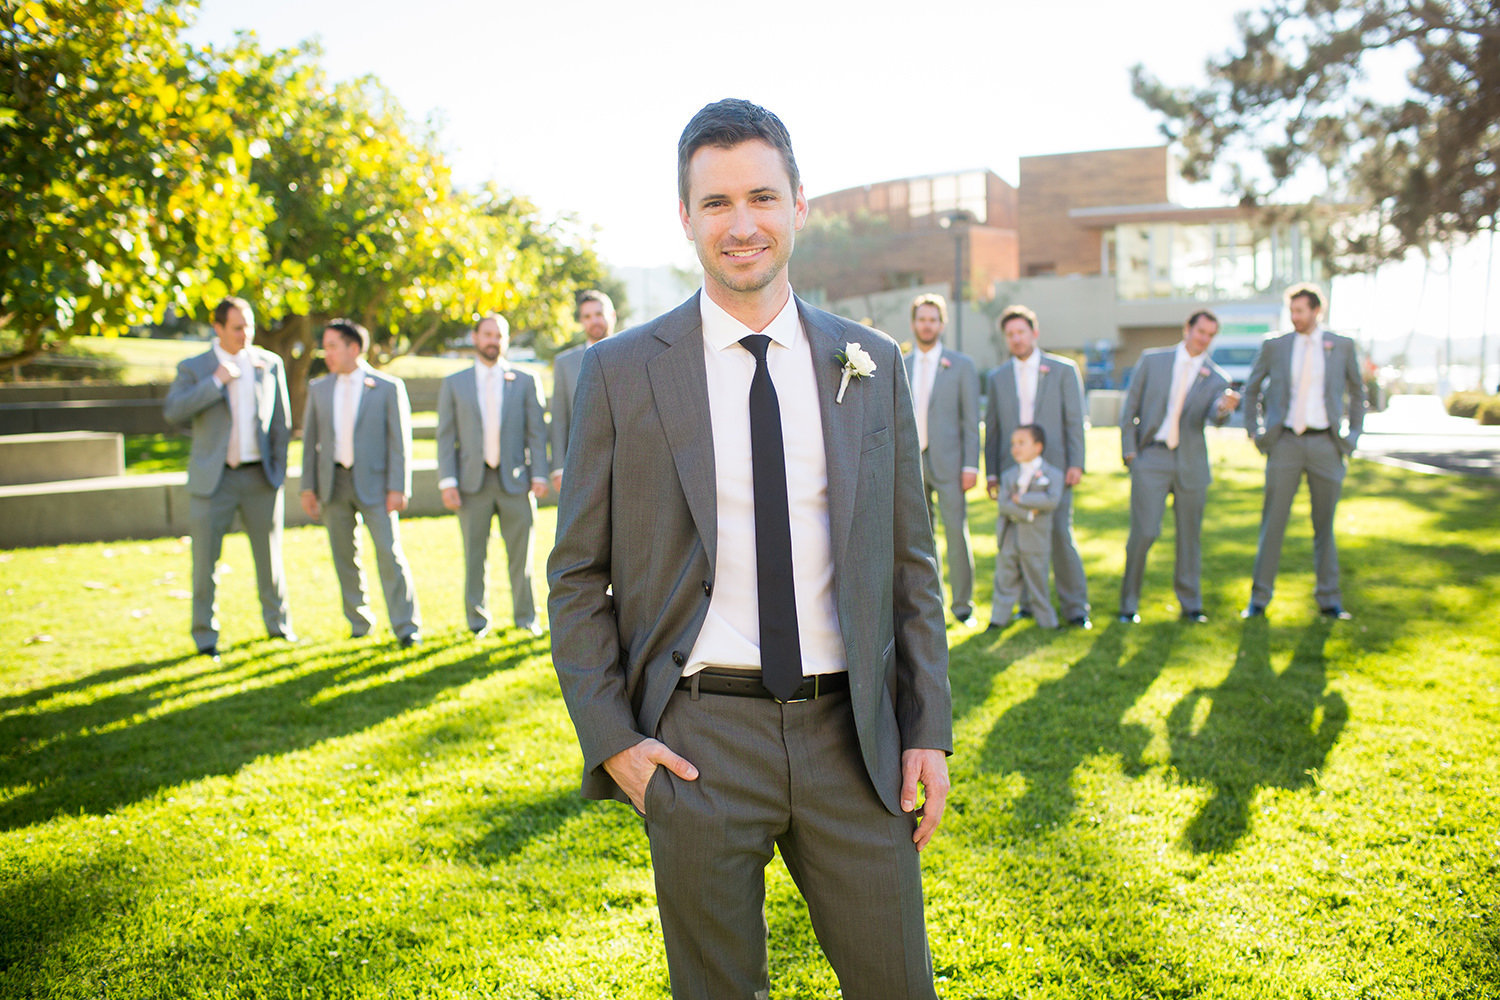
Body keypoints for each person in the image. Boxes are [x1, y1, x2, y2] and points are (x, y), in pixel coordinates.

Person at [547, 98, 952, 1000]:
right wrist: (614, 740)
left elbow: (908, 564)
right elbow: (576, 575)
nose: (742, 224)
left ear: (800, 204)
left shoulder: (870, 361)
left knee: (899, 985)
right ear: (684, 217)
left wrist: (926, 726)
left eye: (762, 197)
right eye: (717, 203)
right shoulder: (618, 372)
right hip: (699, 743)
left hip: (854, 740)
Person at [162, 296, 294, 659]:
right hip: (213, 481)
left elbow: (281, 423)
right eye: (237, 327)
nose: (246, 334)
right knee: (205, 563)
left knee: (270, 560)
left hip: (260, 479)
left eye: (249, 326)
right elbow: (174, 410)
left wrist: (278, 472)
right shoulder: (195, 367)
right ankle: (205, 638)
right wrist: (216, 382)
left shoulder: (269, 364)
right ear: (217, 328)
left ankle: (278, 627)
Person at [1242, 283, 1364, 619]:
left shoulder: (1341, 346)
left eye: (1300, 311)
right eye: (1291, 311)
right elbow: (1251, 389)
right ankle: (1259, 600)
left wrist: (1352, 436)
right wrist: (1255, 431)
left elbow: (1358, 391)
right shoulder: (1275, 346)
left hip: (1327, 444)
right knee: (1273, 523)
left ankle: (1329, 600)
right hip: (1284, 445)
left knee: (1324, 525)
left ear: (1316, 311)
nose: (1295, 317)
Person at [299, 319, 422, 647]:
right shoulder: (319, 388)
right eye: (325, 346)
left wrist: (399, 487)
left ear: (354, 348)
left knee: (389, 553)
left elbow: (400, 443)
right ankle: (359, 621)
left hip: (378, 487)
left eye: (333, 346)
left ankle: (406, 627)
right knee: (343, 555)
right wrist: (307, 487)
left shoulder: (387, 387)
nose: (327, 353)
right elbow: (310, 442)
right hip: (332, 484)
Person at [1117, 310, 1241, 624]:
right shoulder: (1152, 360)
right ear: (1187, 329)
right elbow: (1130, 407)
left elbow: (1215, 415)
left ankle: (1191, 606)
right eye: (1201, 332)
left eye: (1211, 335)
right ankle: (1128, 605)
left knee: (1190, 538)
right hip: (1151, 458)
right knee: (1144, 533)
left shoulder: (1217, 378)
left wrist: (1225, 407)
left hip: (1191, 463)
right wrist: (1131, 454)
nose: (1204, 339)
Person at [436, 313, 549, 638]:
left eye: (499, 335)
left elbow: (536, 433)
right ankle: (477, 621)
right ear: (475, 338)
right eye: (487, 334)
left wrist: (539, 473)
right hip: (472, 483)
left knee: (521, 557)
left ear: (506, 340)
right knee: (474, 556)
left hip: (516, 482)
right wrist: (448, 481)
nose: (493, 341)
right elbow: (446, 436)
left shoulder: (525, 380)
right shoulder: (454, 383)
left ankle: (526, 619)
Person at [983, 305, 1091, 627]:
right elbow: (994, 429)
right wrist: (991, 472)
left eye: (1022, 332)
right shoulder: (998, 377)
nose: (1016, 339)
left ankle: (1075, 609)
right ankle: (1028, 605)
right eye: (1011, 334)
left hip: (1055, 469)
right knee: (1018, 540)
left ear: (1035, 333)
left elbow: (1075, 421)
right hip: (1013, 472)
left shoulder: (1063, 370)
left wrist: (1077, 463)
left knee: (1060, 536)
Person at [903, 293, 981, 626]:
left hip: (950, 464)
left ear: (942, 324)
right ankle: (929, 604)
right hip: (911, 462)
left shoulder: (961, 365)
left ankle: (963, 605)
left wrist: (970, 465)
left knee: (955, 533)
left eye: (933, 319)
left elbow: (970, 419)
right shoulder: (900, 362)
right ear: (913, 323)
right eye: (922, 319)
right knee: (919, 538)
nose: (927, 325)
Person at [989, 425, 1064, 630]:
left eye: (1022, 443)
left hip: (1036, 538)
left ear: (1038, 447)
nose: (1016, 448)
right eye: (1013, 444)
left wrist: (1022, 498)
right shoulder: (1009, 475)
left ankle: (1047, 622)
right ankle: (998, 619)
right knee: (1004, 577)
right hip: (1010, 535)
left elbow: (1052, 500)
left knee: (1038, 580)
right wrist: (1028, 512)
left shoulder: (1053, 474)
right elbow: (1003, 504)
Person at [548, 289, 616, 494]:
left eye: (599, 314)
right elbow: (559, 418)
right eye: (587, 316)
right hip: (581, 465)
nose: (593, 321)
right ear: (581, 322)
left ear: (612, 315)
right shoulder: (564, 363)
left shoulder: (637, 354)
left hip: (627, 462)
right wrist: (559, 467)